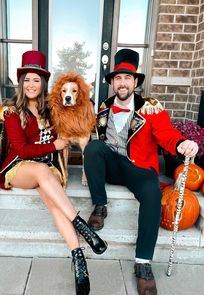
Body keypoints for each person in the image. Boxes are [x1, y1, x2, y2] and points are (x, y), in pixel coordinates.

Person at [0, 50, 107, 295]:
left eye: (36, 79)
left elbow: (78, 105)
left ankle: (78, 259)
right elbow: (21, 148)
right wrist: (55, 146)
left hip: (45, 169)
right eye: (27, 79)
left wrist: (96, 106)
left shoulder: (50, 109)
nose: (31, 84)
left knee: (54, 203)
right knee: (42, 169)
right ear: (21, 83)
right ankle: (82, 225)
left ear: (43, 83)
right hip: (18, 167)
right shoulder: (12, 111)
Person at [83, 49, 199, 295]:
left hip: (139, 167)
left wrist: (181, 144)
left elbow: (166, 134)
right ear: (112, 82)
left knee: (151, 192)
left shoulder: (150, 109)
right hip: (112, 166)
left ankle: (143, 262)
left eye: (127, 78)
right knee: (93, 149)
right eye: (118, 78)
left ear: (135, 82)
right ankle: (100, 205)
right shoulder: (103, 107)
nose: (122, 82)